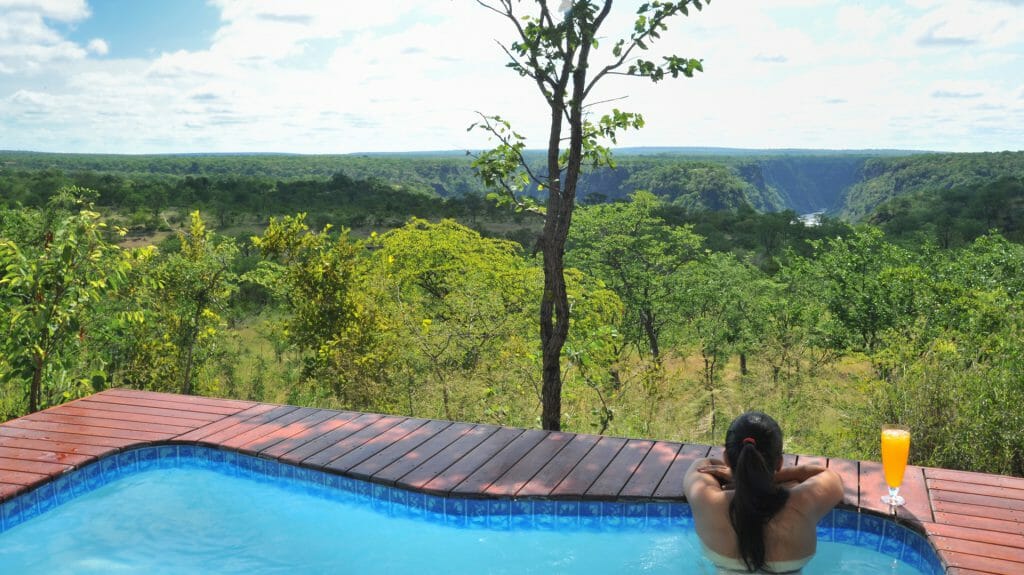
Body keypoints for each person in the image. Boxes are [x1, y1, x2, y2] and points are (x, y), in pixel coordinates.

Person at [683, 412, 843, 574]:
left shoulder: (707, 500)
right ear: (779, 463)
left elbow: (701, 465)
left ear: (727, 459)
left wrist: (742, 476)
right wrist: (769, 476)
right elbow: (832, 478)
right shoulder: (804, 502)